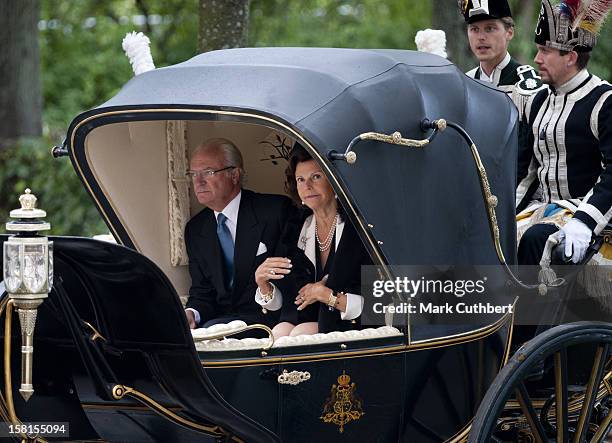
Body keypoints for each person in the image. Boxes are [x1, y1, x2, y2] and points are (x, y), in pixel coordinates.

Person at [516, 0, 612, 266]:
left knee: (536, 239)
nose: (537, 59)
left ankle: (527, 310)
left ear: (570, 56)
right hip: (543, 210)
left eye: (545, 50)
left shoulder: (604, 101)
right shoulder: (538, 101)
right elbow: (525, 173)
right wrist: (497, 216)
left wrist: (583, 222)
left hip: (591, 217)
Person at [254, 145, 372, 338]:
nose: (307, 186)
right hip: (305, 321)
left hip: (352, 324)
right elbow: (288, 299)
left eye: (316, 177)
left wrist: (327, 296)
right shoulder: (296, 227)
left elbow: (384, 301)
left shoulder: (360, 228)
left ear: (335, 181)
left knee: (299, 334)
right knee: (279, 333)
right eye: (301, 179)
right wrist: (263, 284)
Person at [184, 138, 293, 329]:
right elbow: (202, 293)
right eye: (193, 174)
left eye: (208, 173)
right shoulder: (195, 229)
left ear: (234, 174)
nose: (198, 181)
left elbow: (293, 279)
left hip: (269, 320)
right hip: (218, 324)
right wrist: (191, 314)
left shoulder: (275, 211)